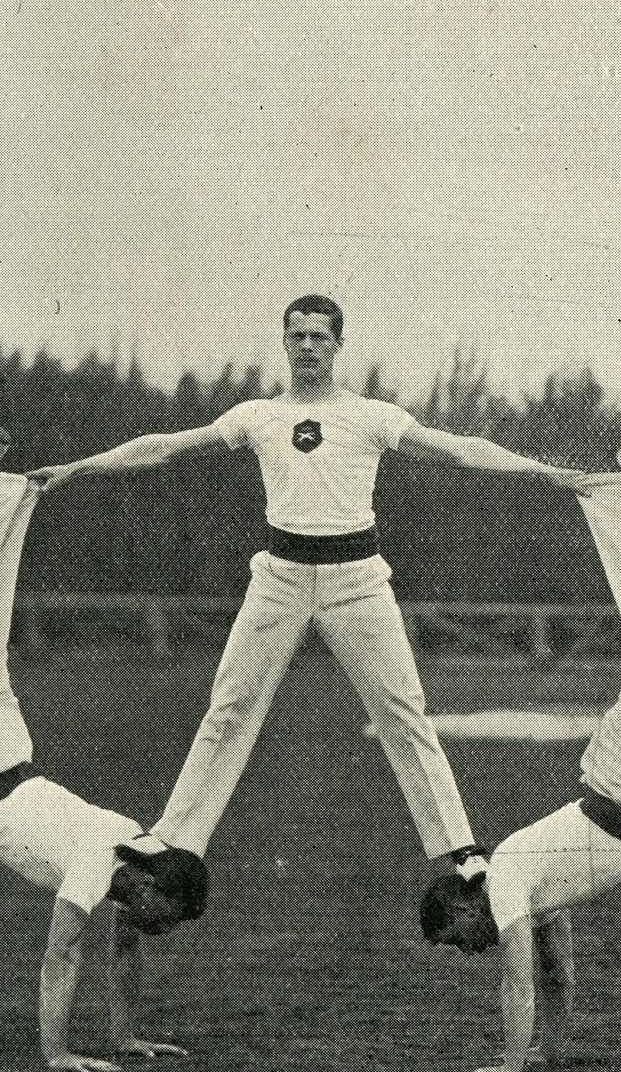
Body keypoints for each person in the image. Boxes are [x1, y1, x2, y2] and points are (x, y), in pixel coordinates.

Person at [32, 295, 591, 887]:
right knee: (229, 707)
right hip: (280, 577)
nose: (306, 347)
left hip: (358, 580)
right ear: (285, 341)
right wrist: (75, 468)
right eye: (296, 336)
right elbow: (167, 445)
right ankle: (173, 838)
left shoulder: (372, 416)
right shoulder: (256, 416)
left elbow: (457, 449)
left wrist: (547, 472)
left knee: (403, 712)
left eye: (318, 337)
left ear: (337, 345)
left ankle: (460, 849)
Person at [420, 410, 621, 1072]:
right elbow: (559, 973)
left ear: (464, 903)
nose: (470, 950)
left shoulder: (508, 878)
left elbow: (518, 984)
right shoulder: (532, 889)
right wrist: (555, 1049)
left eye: (459, 940)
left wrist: (508, 1067)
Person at [0, 467, 211, 1072]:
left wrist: (124, 1038)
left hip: (14, 751)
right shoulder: (103, 858)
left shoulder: (139, 851)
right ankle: (12, 493)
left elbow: (122, 953)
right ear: (150, 884)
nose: (154, 930)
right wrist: (59, 1054)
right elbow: (60, 953)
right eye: (161, 918)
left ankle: (12, 497)